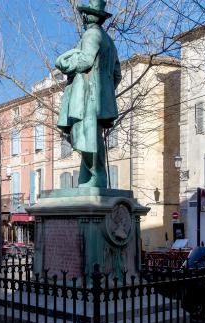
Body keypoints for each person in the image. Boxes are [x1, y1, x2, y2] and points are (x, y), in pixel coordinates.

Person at [55, 0, 121, 188]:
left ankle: (96, 176)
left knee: (84, 134)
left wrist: (62, 63)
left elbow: (84, 61)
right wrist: (106, 91)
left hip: (87, 96)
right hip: (99, 97)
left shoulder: (91, 34)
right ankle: (89, 177)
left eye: (85, 14)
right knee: (90, 135)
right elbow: (117, 74)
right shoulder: (109, 40)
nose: (83, 17)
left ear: (90, 16)